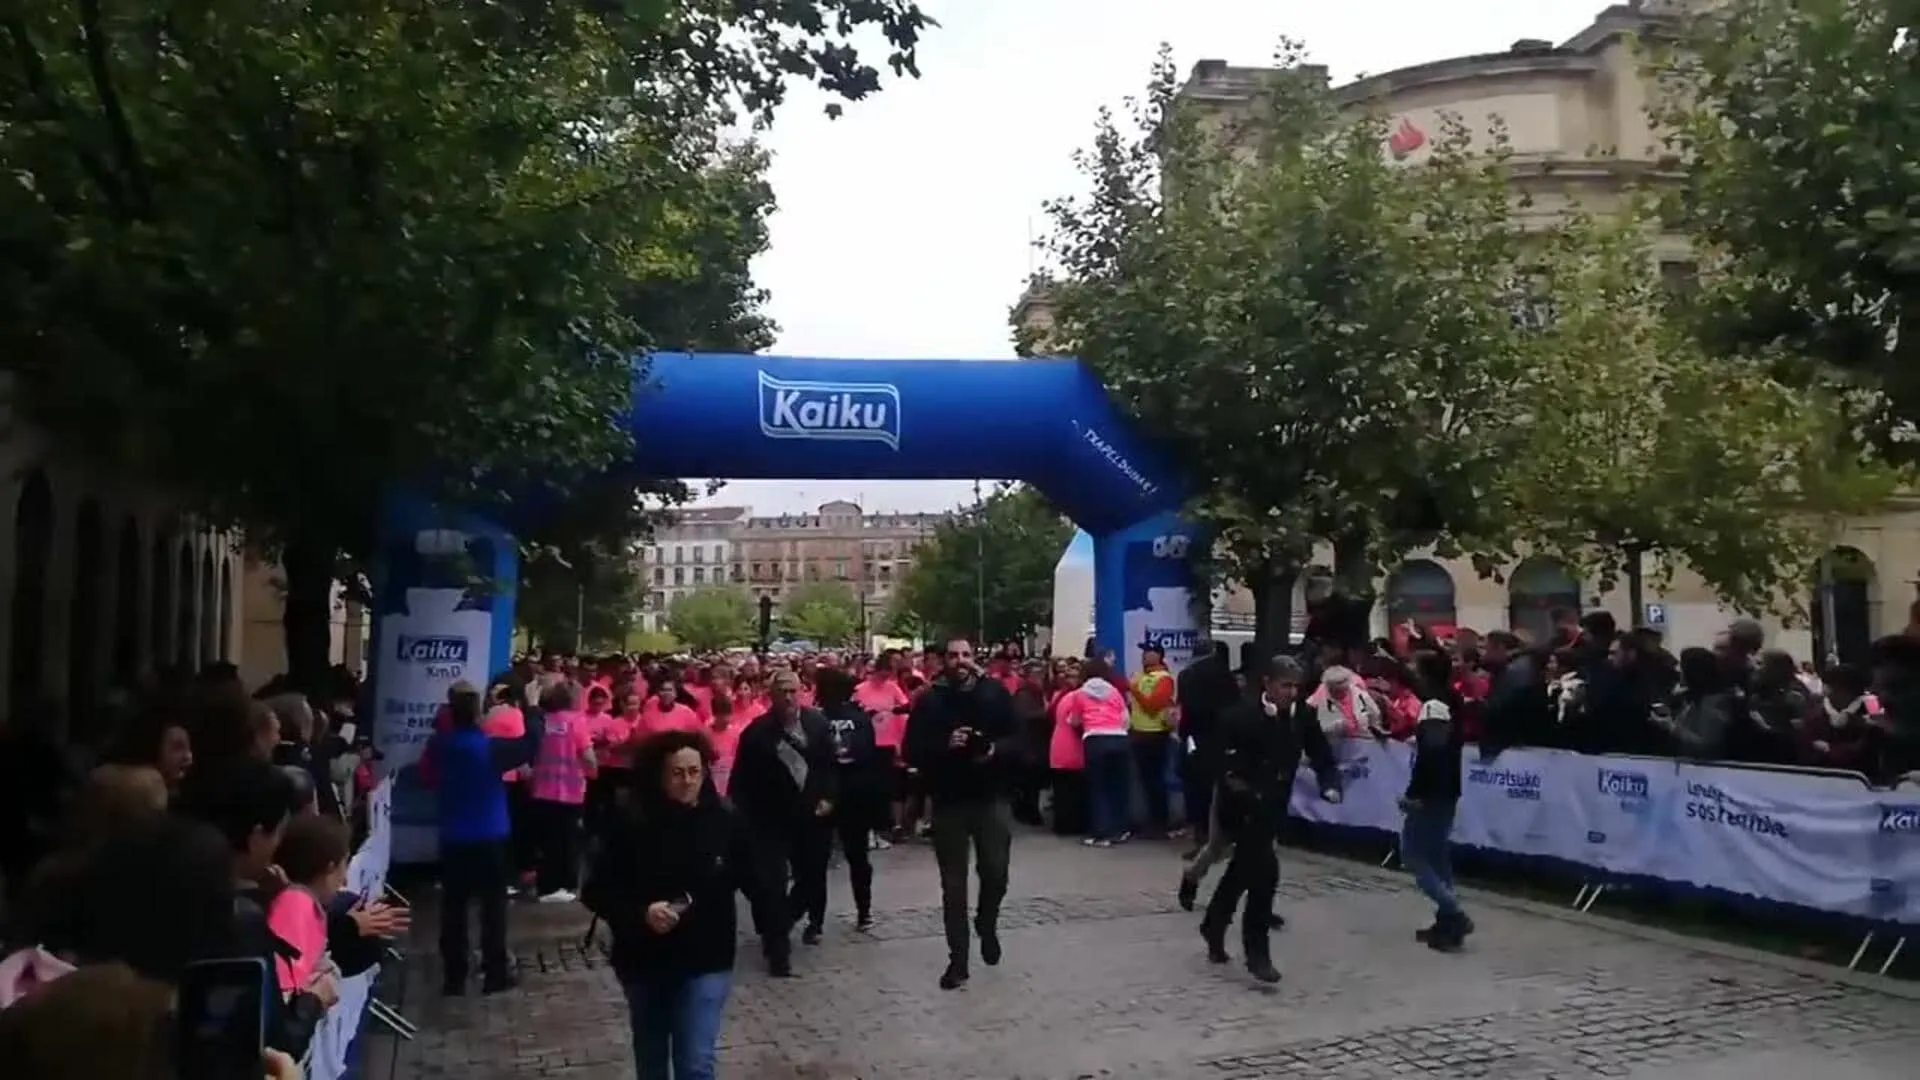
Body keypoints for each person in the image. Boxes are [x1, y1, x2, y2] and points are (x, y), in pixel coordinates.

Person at [583, 729, 754, 1080]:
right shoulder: (629, 820)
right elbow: (597, 889)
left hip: (706, 957)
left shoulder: (724, 819)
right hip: (644, 958)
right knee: (651, 1059)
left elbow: (748, 875)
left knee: (695, 1062)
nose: (688, 781)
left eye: (695, 771)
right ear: (659, 775)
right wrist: (641, 912)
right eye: (678, 773)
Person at [1201, 656, 1340, 984]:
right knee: (1265, 875)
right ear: (1268, 683)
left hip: (1274, 807)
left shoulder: (1302, 715)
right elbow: (1219, 762)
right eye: (1285, 685)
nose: (1291, 692)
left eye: (1296, 686)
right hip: (1241, 807)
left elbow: (1320, 753)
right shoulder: (1240, 716)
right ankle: (1257, 953)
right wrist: (1239, 786)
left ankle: (1214, 923)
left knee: (1242, 872)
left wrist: (1330, 782)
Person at [902, 638, 1021, 991]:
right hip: (949, 800)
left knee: (996, 872)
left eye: (966, 655)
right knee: (953, 887)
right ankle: (958, 960)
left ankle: (987, 921)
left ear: (975, 658)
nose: (960, 661)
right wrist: (944, 745)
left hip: (991, 797)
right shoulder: (930, 699)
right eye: (953, 656)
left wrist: (994, 749)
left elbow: (1021, 740)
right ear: (943, 661)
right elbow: (911, 749)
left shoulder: (995, 694)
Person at [416, 681, 540, 994]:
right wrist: (534, 705)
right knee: (493, 908)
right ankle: (495, 971)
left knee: (454, 908)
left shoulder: (439, 745)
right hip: (490, 835)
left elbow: (427, 779)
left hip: (454, 836)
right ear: (477, 712)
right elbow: (532, 743)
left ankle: (454, 976)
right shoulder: (490, 747)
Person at [728, 669, 837, 977]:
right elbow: (741, 783)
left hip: (811, 816)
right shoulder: (757, 733)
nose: (788, 697)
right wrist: (745, 821)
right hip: (770, 820)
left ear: (801, 692)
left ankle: (781, 922)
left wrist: (829, 798)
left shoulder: (817, 723)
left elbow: (829, 767)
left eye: (792, 691)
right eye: (782, 692)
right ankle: (778, 955)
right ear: (771, 695)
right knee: (771, 885)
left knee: (812, 878)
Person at [1399, 698, 1472, 951]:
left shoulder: (1430, 749)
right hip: (1445, 804)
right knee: (1439, 861)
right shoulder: (1453, 744)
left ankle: (1454, 911)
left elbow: (1421, 778)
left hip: (1427, 806)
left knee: (1414, 857)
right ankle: (1447, 921)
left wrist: (1409, 800)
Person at [815, 667, 884, 930]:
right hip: (854, 794)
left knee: (819, 859)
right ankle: (863, 912)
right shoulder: (859, 717)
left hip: (831, 794)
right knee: (857, 857)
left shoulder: (816, 718)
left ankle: (816, 919)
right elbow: (870, 757)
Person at [1176, 642, 1239, 859]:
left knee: (1197, 792)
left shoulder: (1188, 675)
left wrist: (1183, 735)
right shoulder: (1225, 675)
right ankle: (1225, 838)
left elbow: (1188, 712)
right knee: (1221, 790)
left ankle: (1202, 839)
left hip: (1198, 740)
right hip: (1223, 739)